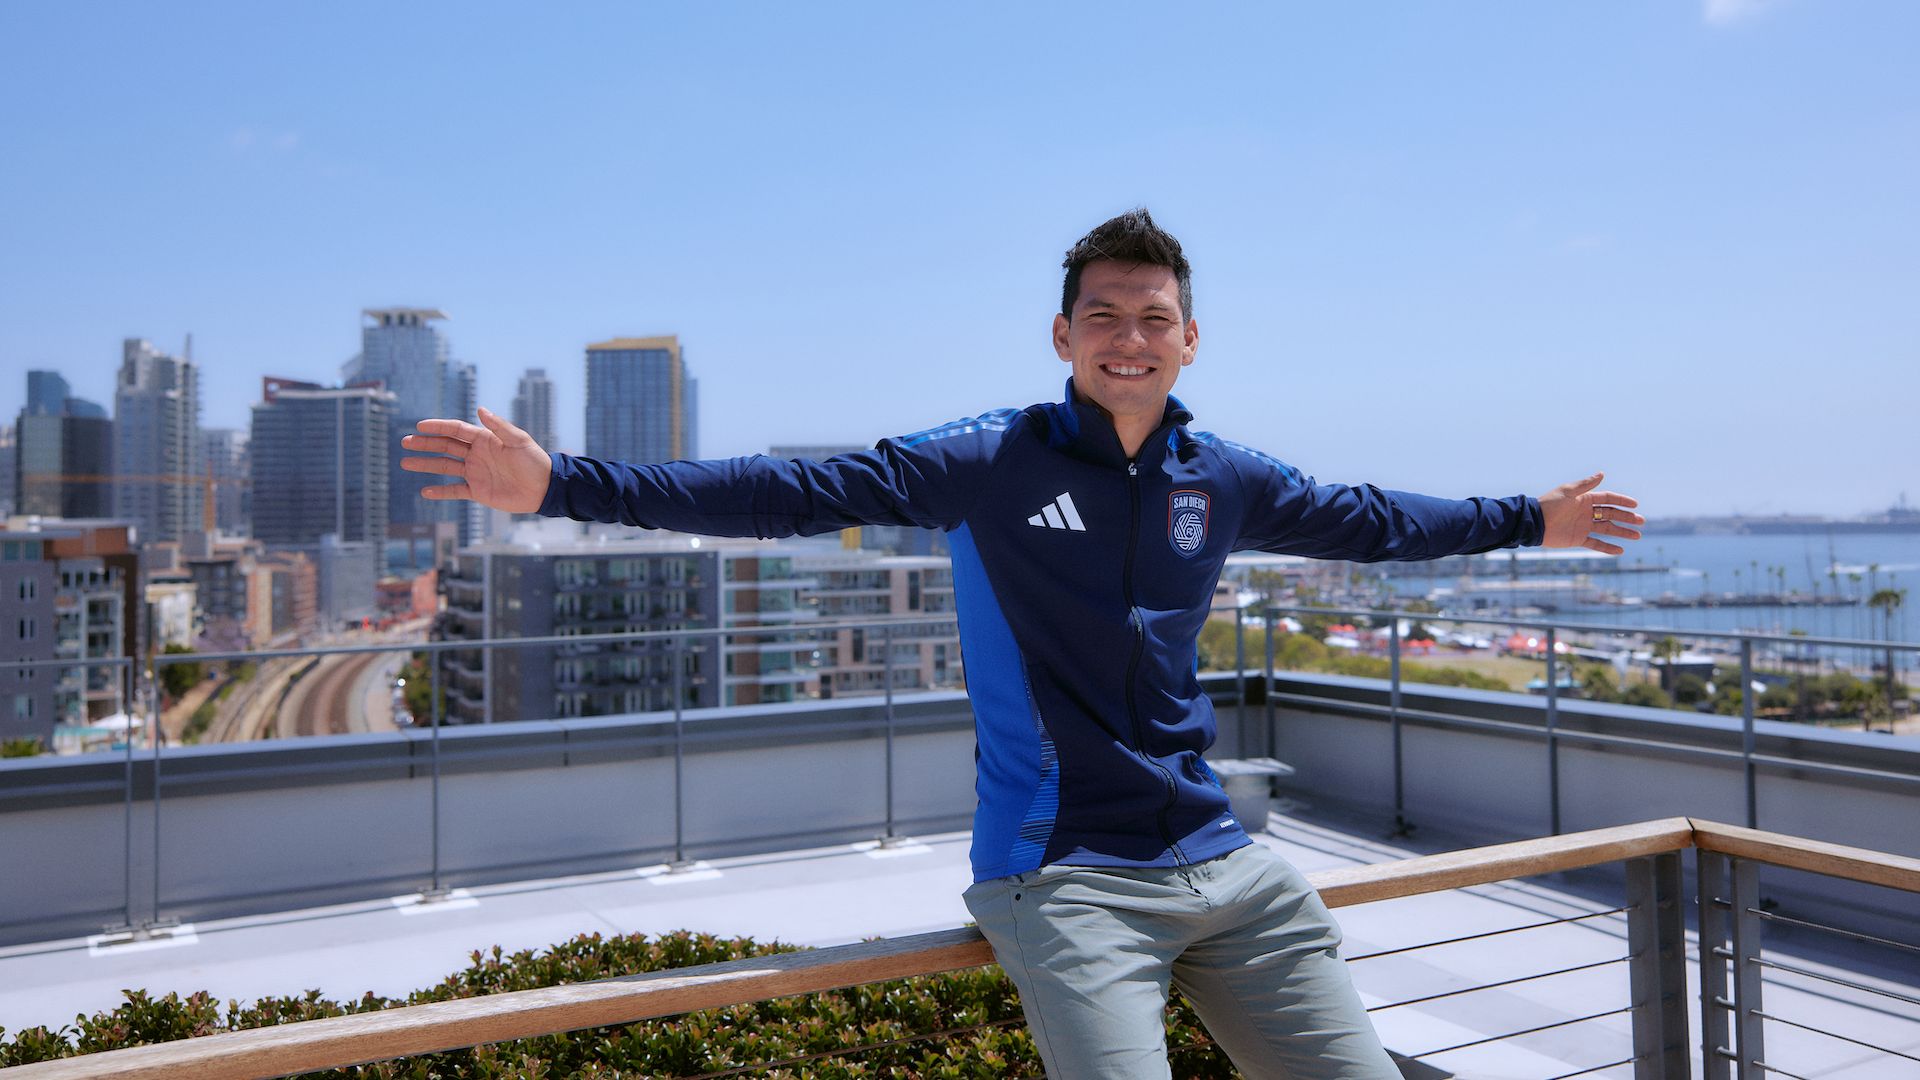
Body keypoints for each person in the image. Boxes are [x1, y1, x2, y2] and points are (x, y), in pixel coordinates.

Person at [400, 209, 1642, 1078]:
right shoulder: (992, 460)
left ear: (1190, 340)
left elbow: (1372, 521)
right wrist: (563, 481)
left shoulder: (1227, 477)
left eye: (1154, 318)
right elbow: (791, 488)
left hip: (1228, 861)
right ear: (1063, 338)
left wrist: (1535, 516)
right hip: (1067, 876)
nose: (1129, 337)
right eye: (1102, 316)